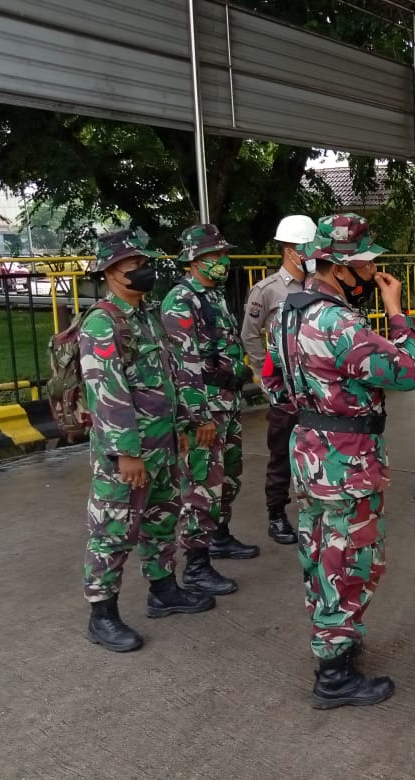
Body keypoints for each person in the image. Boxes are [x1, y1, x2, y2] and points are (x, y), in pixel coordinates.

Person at [263, 213, 415, 709]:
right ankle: (334, 673)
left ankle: (334, 642)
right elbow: (406, 371)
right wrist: (397, 314)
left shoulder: (288, 313)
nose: (375, 276)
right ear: (340, 266)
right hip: (346, 460)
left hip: (309, 450)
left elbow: (273, 385)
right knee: (349, 557)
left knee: (319, 552)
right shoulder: (338, 321)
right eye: (369, 267)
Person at [81, 230, 214, 653]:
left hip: (163, 445)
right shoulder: (104, 322)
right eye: (133, 265)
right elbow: (108, 394)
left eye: (144, 262)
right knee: (113, 531)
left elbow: (169, 381)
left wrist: (184, 426)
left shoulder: (146, 315)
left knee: (160, 521)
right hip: (130, 455)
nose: (145, 271)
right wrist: (126, 454)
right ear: (112, 273)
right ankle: (102, 616)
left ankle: (163, 590)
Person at [161, 223, 257, 597]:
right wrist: (198, 417)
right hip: (205, 410)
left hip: (226, 403)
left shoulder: (211, 295)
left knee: (228, 475)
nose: (222, 261)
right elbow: (183, 365)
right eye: (215, 256)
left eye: (222, 254)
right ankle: (196, 565)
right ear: (195, 260)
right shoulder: (180, 301)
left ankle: (219, 536)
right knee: (202, 484)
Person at [241, 214, 318, 545]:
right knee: (281, 454)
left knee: (316, 452)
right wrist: (264, 375)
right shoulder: (267, 291)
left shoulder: (318, 286)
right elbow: (249, 335)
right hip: (285, 388)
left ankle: (314, 511)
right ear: (292, 251)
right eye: (310, 247)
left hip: (315, 386)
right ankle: (277, 515)